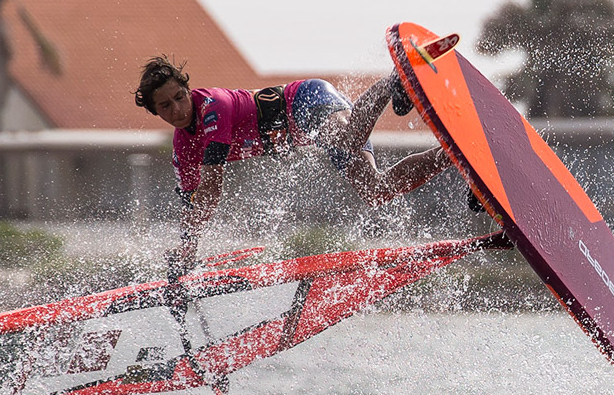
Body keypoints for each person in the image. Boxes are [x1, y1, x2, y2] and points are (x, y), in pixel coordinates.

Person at [134, 54, 451, 275]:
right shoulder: (182, 149)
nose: (177, 108)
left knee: (349, 139)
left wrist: (189, 247)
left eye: (180, 96)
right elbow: (194, 207)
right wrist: (186, 249)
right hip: (312, 133)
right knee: (376, 191)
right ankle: (451, 154)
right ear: (154, 112)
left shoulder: (214, 107)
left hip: (305, 99)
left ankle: (396, 79)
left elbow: (212, 189)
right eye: (165, 105)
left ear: (188, 90)